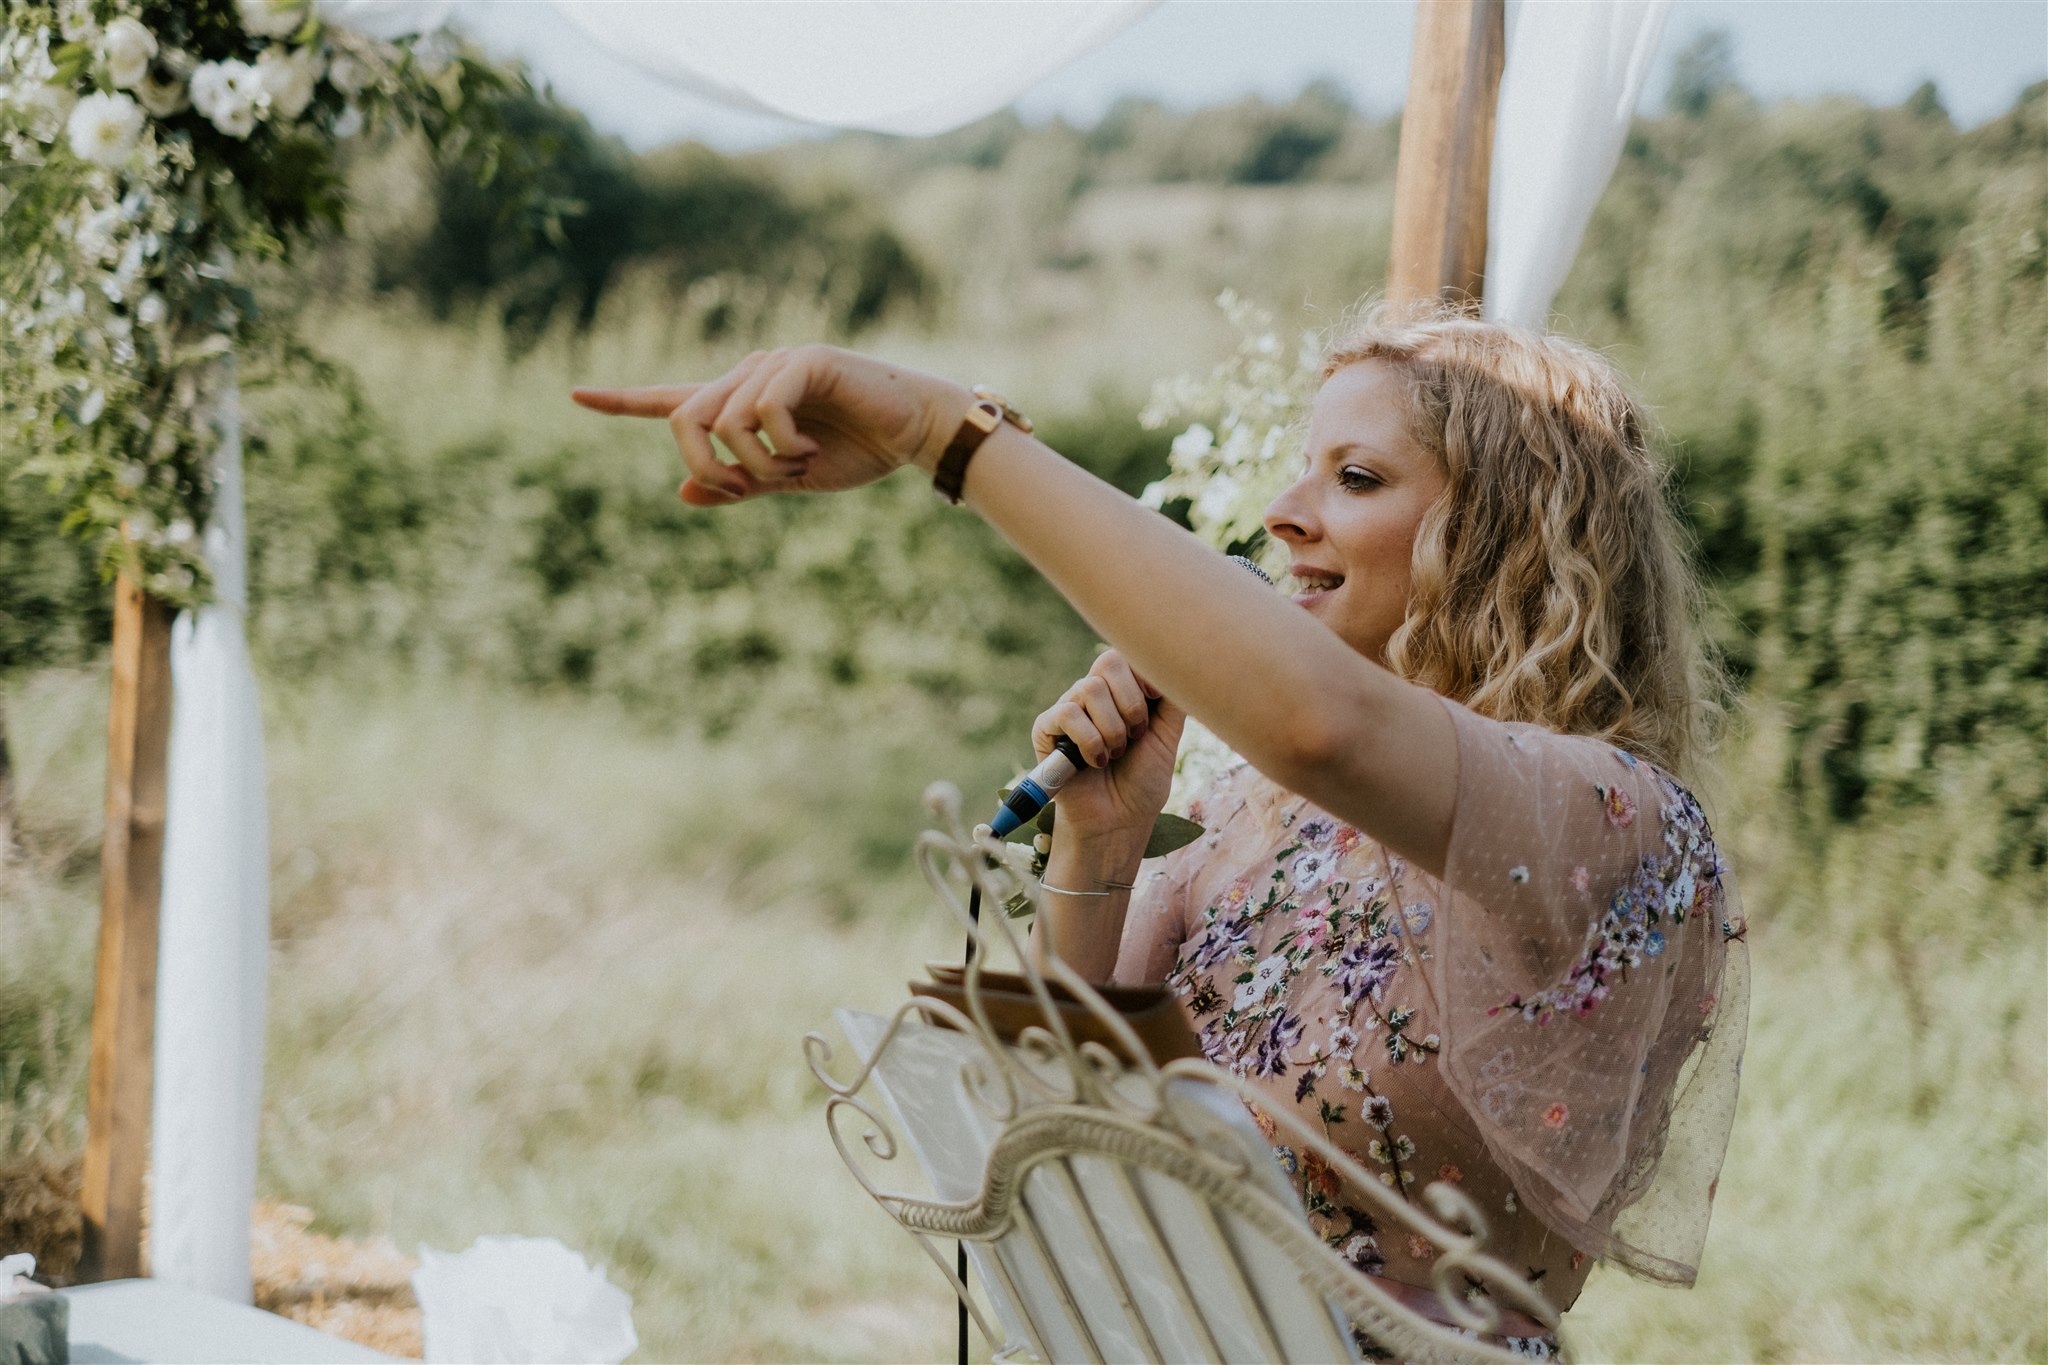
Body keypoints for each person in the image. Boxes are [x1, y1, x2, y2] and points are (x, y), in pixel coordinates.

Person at [571, 302, 1747, 1350]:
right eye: (1298, 471)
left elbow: (1317, 722)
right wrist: (1100, 842)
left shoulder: (1615, 820)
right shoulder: (1248, 806)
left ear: (1507, 530)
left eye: (1354, 478)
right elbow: (1051, 1111)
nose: (1283, 516)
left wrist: (949, 433)